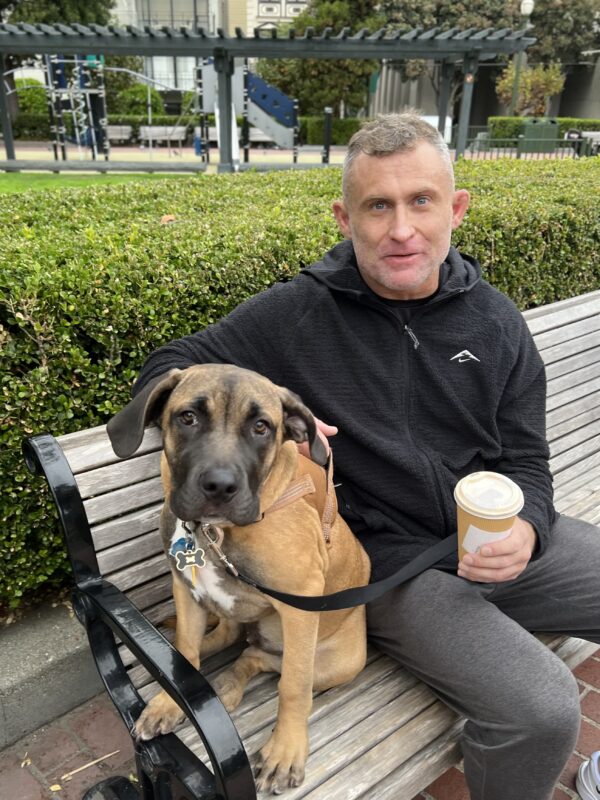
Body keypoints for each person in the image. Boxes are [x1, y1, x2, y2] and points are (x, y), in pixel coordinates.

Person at [132, 112, 600, 800]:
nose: (401, 229)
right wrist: (272, 413)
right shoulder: (296, 314)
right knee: (544, 710)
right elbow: (172, 368)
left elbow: (528, 459)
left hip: (495, 539)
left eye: (421, 201)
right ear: (344, 217)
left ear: (456, 209)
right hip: (394, 573)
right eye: (377, 205)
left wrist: (527, 522)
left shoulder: (497, 323)